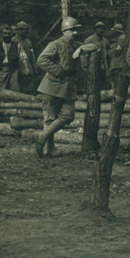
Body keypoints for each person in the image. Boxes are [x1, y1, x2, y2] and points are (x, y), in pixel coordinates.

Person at [35, 17, 94, 158]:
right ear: (64, 31)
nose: (75, 33)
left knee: (68, 116)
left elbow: (94, 47)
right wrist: (58, 71)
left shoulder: (76, 45)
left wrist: (81, 48)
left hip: (67, 88)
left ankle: (42, 136)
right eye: (72, 30)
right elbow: (41, 60)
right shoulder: (55, 44)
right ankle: (50, 148)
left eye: (76, 30)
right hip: (51, 86)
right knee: (49, 119)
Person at [8, 21, 36, 94]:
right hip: (17, 69)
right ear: (18, 30)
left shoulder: (28, 42)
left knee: (29, 88)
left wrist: (34, 67)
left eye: (26, 29)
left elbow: (32, 55)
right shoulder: (13, 40)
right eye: (22, 29)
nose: (24, 31)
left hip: (28, 68)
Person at [83, 21, 110, 91]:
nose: (101, 30)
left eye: (102, 29)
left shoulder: (105, 41)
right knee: (92, 83)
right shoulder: (89, 39)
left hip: (103, 66)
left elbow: (109, 51)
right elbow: (84, 54)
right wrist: (85, 67)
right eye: (99, 28)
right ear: (95, 29)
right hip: (92, 65)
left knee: (102, 82)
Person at [107, 23, 128, 96]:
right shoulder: (121, 37)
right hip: (118, 63)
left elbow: (117, 51)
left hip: (118, 63)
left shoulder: (121, 38)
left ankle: (116, 95)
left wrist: (111, 49)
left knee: (115, 80)